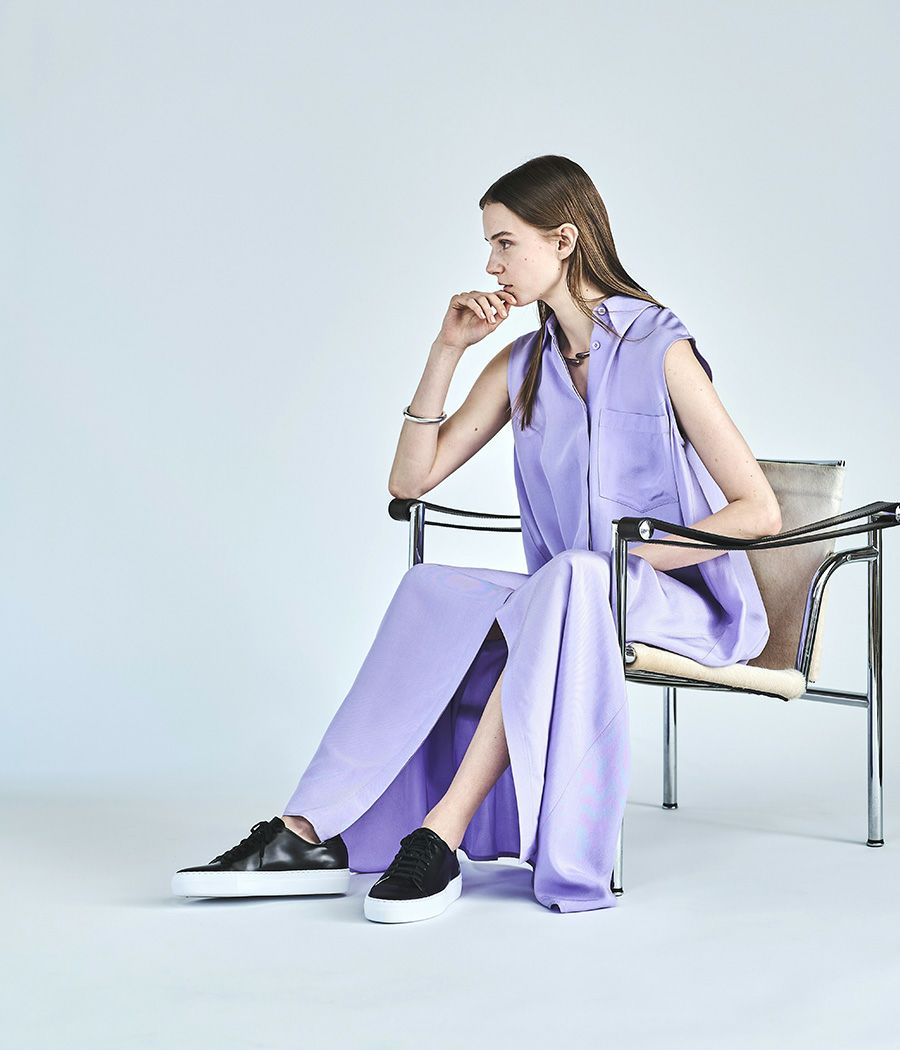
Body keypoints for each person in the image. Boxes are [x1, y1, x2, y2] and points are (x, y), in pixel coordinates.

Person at [171, 155, 781, 924]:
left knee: (570, 577)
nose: (491, 265)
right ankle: (307, 831)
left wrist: (616, 563)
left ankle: (442, 833)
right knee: (432, 588)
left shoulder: (660, 345)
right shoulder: (523, 363)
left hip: (677, 603)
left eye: (504, 243)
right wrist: (447, 349)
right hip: (567, 596)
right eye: (490, 246)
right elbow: (410, 480)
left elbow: (757, 512)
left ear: (564, 240)